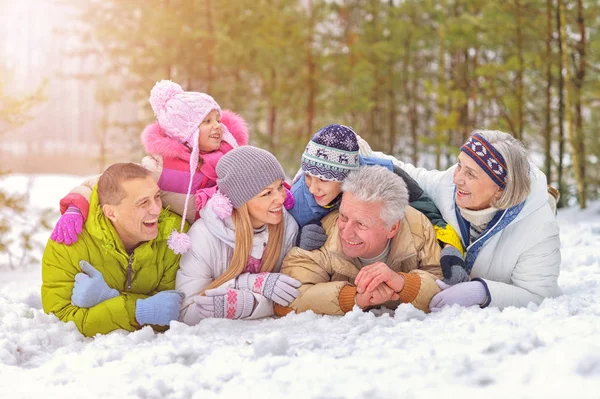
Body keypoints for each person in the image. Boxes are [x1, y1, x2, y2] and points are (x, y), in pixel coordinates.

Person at [360, 130, 562, 310]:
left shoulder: (539, 228)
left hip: (527, 222)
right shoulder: (448, 187)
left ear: (500, 190)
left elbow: (539, 294)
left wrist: (482, 291)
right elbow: (409, 174)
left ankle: (548, 198)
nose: (458, 178)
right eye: (459, 165)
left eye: (470, 174)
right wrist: (360, 151)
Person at [49, 80, 249, 254]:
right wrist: (75, 206)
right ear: (184, 131)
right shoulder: (161, 167)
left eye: (218, 119)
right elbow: (105, 184)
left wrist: (280, 195)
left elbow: (262, 184)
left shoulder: (233, 157)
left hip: (239, 242)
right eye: (206, 121)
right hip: (194, 253)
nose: (218, 126)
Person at [276, 166, 443, 316]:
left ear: (392, 228)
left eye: (361, 224)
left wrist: (403, 283)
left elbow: (441, 283)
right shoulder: (322, 236)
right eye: (343, 216)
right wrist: (353, 298)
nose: (346, 233)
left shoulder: (418, 227)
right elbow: (285, 300)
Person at [41, 163, 185, 337]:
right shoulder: (69, 240)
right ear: (111, 212)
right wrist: (138, 311)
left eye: (157, 197)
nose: (156, 209)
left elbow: (170, 310)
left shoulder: (175, 236)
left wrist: (108, 298)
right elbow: (61, 320)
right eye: (143, 202)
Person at [289, 124, 463, 261]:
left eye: (323, 180)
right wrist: (298, 239)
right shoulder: (299, 200)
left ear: (347, 175)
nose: (312, 188)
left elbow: (426, 208)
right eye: (308, 176)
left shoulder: (383, 173)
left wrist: (449, 246)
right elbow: (277, 242)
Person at [177, 146, 301, 325]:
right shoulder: (203, 237)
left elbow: (292, 294)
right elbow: (187, 313)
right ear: (241, 202)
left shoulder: (287, 226)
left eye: (280, 186)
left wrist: (251, 305)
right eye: (267, 193)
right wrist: (249, 283)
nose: (281, 199)